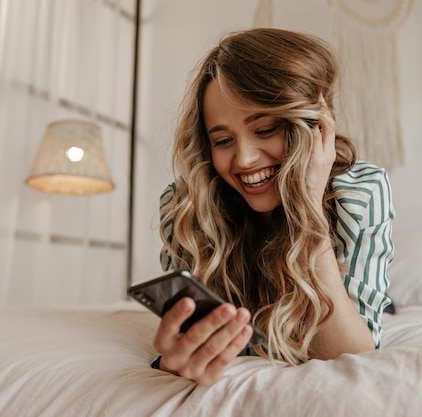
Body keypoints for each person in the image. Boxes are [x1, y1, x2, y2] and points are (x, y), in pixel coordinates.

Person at [154, 28, 394, 386]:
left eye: (265, 130)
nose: (245, 159)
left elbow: (351, 355)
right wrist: (173, 361)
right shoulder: (188, 203)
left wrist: (308, 204)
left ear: (315, 126)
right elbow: (189, 342)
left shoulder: (361, 191)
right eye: (222, 140)